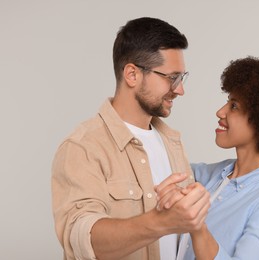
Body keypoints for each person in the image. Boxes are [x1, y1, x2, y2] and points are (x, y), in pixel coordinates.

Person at [51, 17, 210, 260]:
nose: (180, 89)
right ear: (132, 74)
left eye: (182, 77)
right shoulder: (84, 147)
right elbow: (81, 240)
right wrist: (159, 222)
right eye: (172, 77)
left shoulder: (172, 143)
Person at [156, 57, 259, 259]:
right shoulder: (211, 175)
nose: (220, 112)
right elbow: (160, 167)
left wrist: (197, 227)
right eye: (227, 102)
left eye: (234, 106)